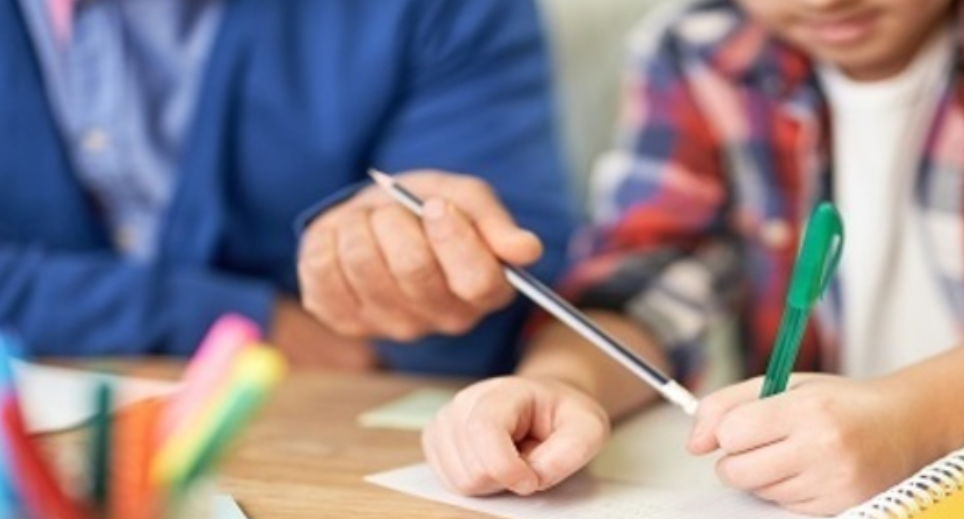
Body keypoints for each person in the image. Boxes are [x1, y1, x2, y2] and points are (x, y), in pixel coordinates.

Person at [302, 0, 964, 515]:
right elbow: (651, 281)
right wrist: (565, 380)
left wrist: (916, 418)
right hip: (824, 517)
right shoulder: (697, 48)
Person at [0, 0, 575, 376]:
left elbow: (519, 304)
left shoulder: (444, 13)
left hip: (313, 454)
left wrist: (414, 288)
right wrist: (242, 323)